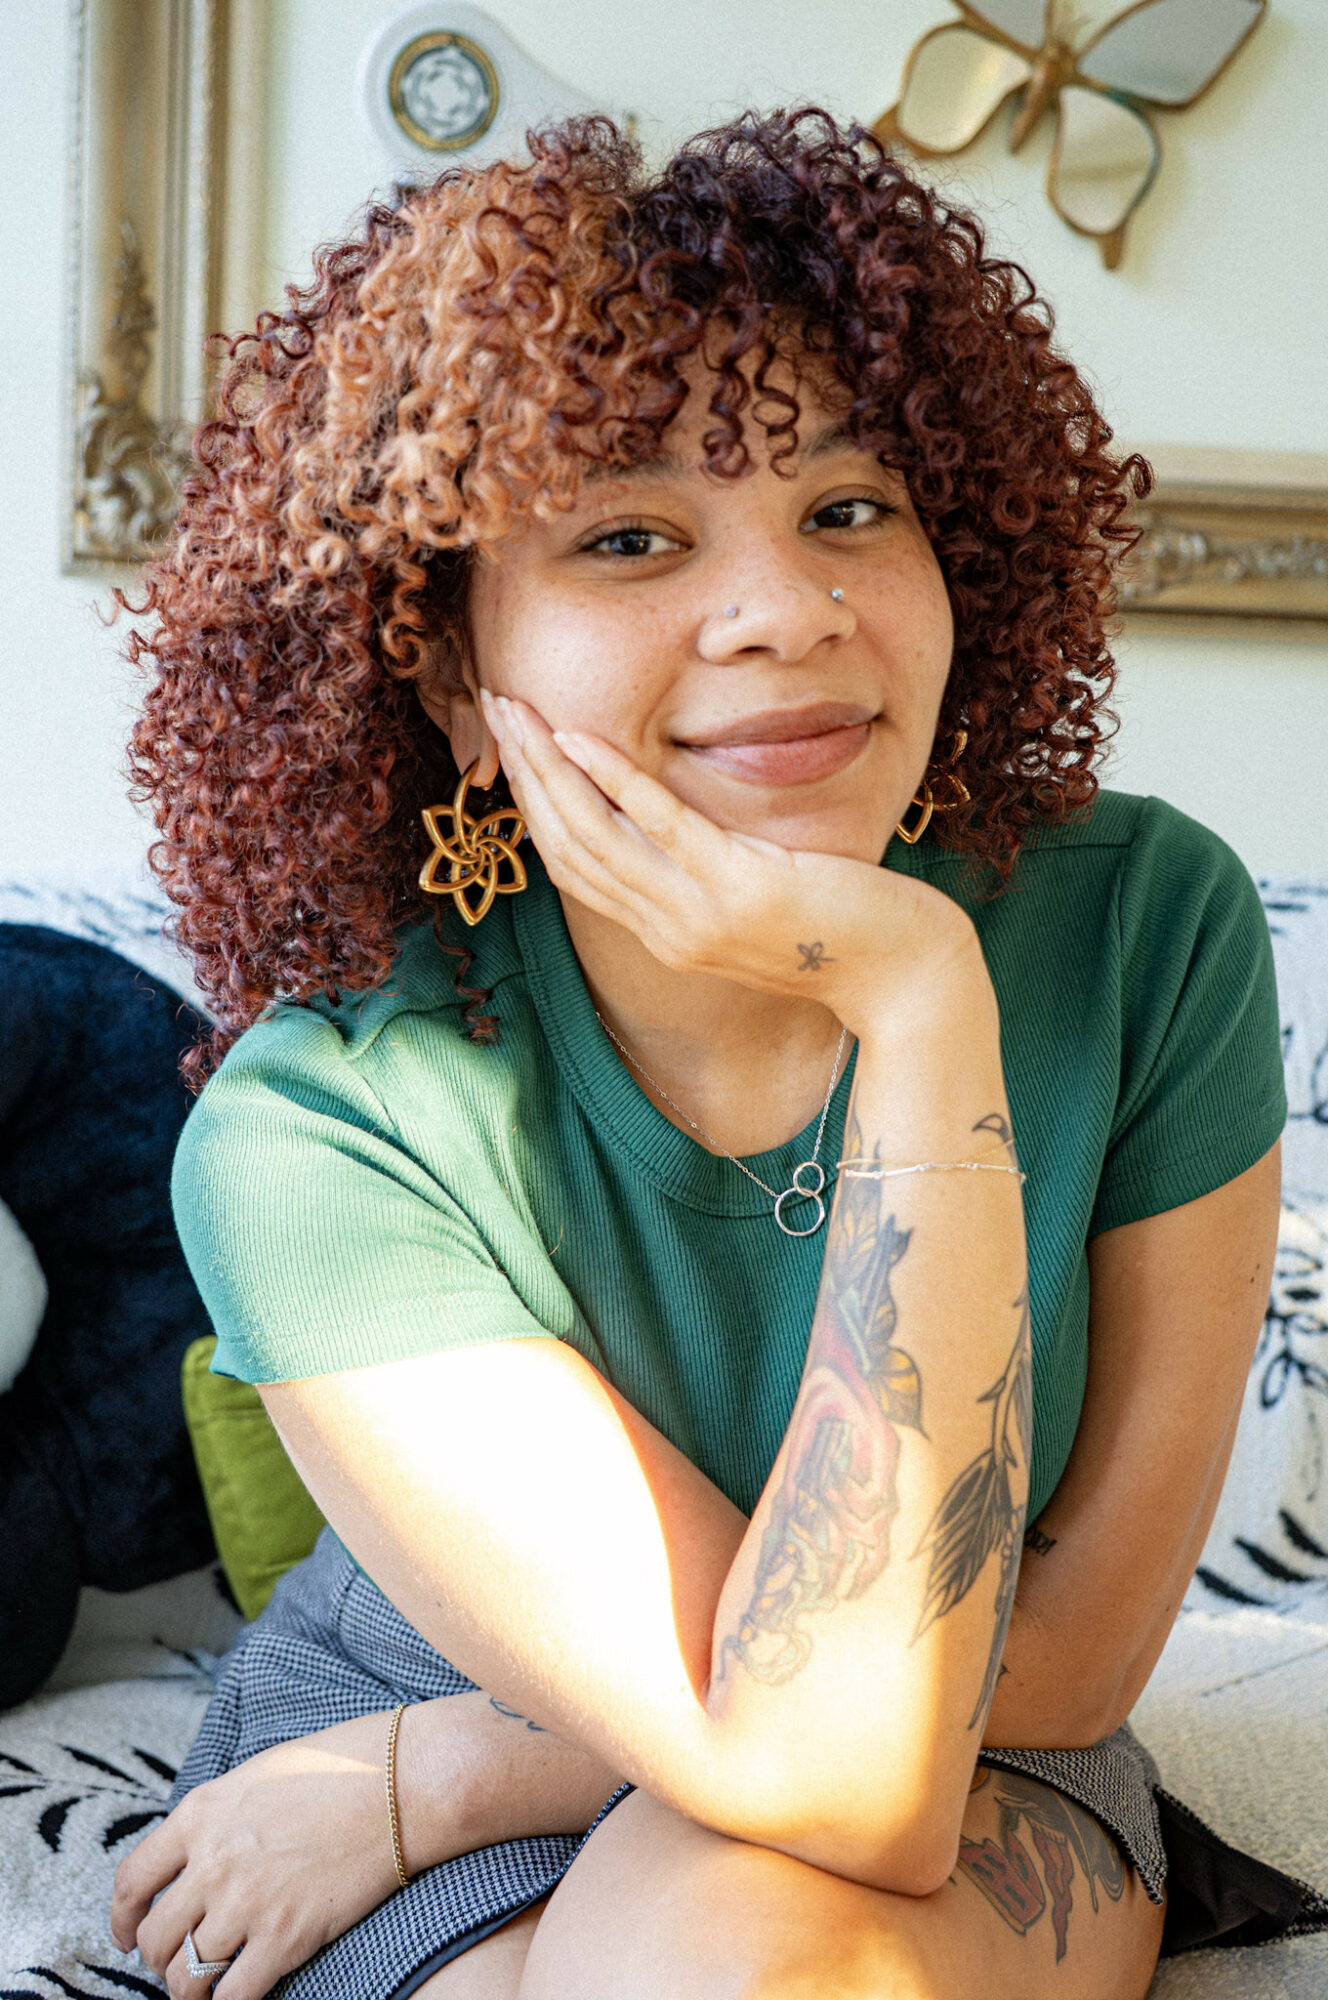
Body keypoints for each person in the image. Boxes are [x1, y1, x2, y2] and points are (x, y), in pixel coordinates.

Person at [109, 111, 1322, 1999]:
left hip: (965, 1725)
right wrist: (430, 1759)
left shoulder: (1145, 930)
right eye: (629, 536)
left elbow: (1035, 1672)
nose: (785, 610)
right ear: (448, 673)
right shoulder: (322, 1126)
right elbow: (814, 1758)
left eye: (849, 509)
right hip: (427, 1698)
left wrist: (914, 1000)